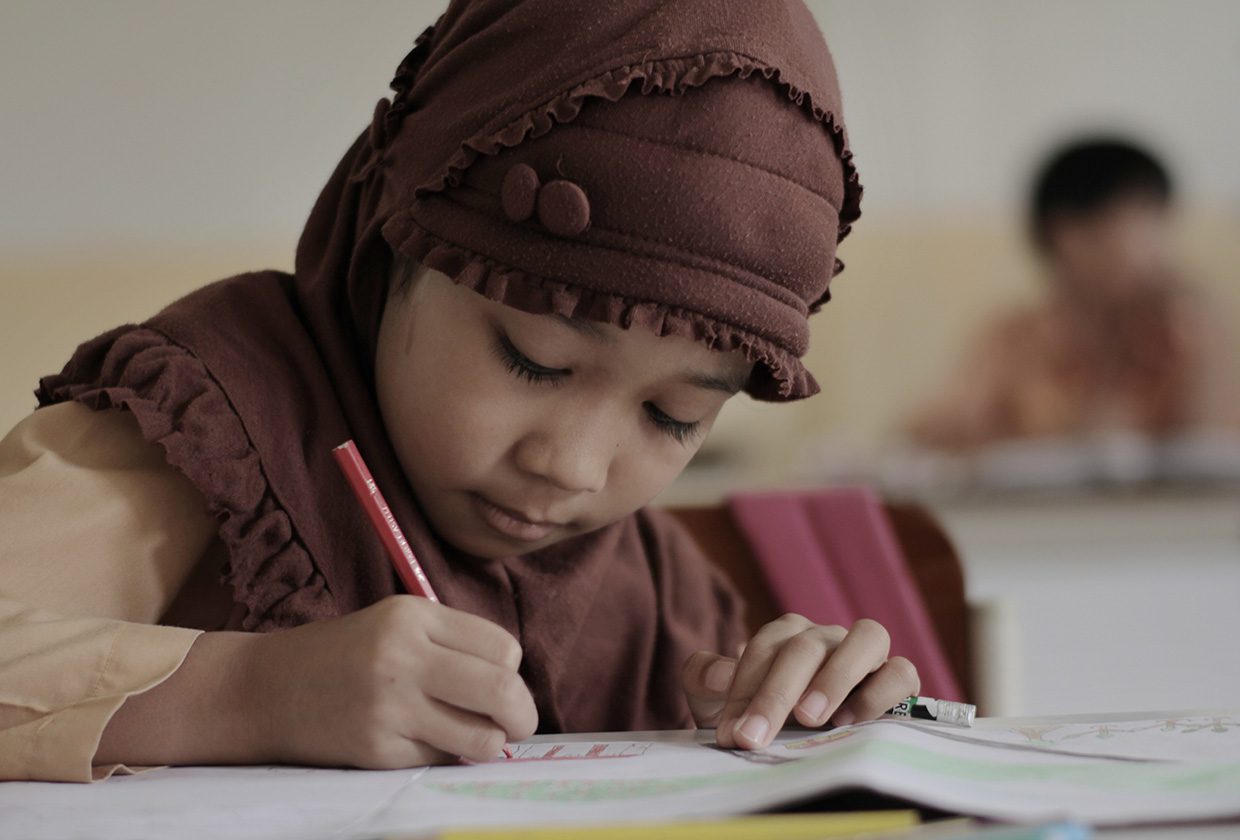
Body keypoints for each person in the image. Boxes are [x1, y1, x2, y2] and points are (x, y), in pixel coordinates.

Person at [0, 0, 920, 783]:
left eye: (671, 415)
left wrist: (804, 718)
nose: (571, 466)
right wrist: (251, 692)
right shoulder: (204, 423)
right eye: (533, 360)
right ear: (395, 239)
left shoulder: (653, 588)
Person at [907, 137, 1236, 451]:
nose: (1152, 242)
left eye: (1156, 216)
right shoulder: (1014, 338)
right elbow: (924, 436)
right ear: (1064, 235)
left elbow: (1209, 450)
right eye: (1132, 215)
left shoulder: (1185, 334)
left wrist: (1209, 329)